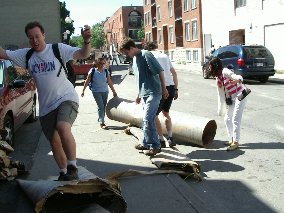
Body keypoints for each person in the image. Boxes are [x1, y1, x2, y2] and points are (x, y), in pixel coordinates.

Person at [0, 21, 92, 181]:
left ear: (43, 35)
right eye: (31, 38)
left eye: (37, 36)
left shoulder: (57, 49)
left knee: (63, 127)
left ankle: (72, 167)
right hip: (46, 107)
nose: (34, 40)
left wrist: (86, 41)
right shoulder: (27, 55)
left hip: (66, 98)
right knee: (54, 143)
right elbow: (3, 54)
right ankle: (64, 173)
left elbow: (83, 54)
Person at [120, 38, 169, 156]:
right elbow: (140, 79)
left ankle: (155, 146)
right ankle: (146, 143)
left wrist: (164, 88)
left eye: (126, 53)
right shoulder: (135, 59)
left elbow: (160, 71)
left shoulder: (146, 54)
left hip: (154, 92)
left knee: (148, 119)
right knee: (145, 119)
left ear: (131, 48)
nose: (127, 56)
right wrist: (138, 94)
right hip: (144, 94)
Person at [208, 57, 247, 151]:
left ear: (215, 66)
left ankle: (236, 142)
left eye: (210, 66)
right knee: (227, 118)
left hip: (241, 94)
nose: (209, 68)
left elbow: (237, 76)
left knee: (235, 119)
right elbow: (221, 93)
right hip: (233, 98)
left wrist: (237, 80)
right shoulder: (218, 77)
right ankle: (232, 138)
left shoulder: (225, 71)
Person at [144, 41, 178, 148]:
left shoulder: (149, 57)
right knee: (166, 113)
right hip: (171, 87)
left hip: (160, 88)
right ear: (156, 47)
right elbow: (174, 73)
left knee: (154, 115)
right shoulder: (165, 56)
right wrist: (176, 89)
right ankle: (171, 137)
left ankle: (161, 139)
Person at [81, 58, 117, 129]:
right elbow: (87, 81)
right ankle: (102, 122)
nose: (102, 65)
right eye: (101, 63)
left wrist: (114, 91)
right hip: (96, 91)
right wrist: (83, 90)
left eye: (103, 63)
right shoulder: (93, 71)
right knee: (100, 106)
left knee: (103, 106)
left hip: (105, 91)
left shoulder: (106, 71)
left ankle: (100, 118)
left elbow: (109, 82)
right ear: (97, 63)